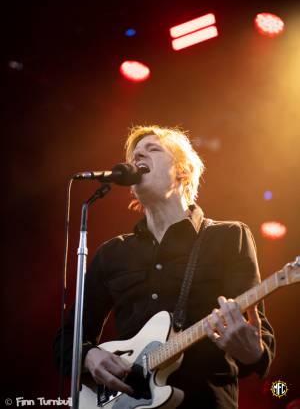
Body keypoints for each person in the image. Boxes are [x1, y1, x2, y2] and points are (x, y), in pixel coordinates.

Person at [54, 125, 275, 409]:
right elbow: (65, 340)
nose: (138, 156)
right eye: (135, 154)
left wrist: (252, 352)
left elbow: (257, 339)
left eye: (152, 149)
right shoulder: (113, 253)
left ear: (182, 171)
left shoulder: (228, 237)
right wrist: (87, 356)